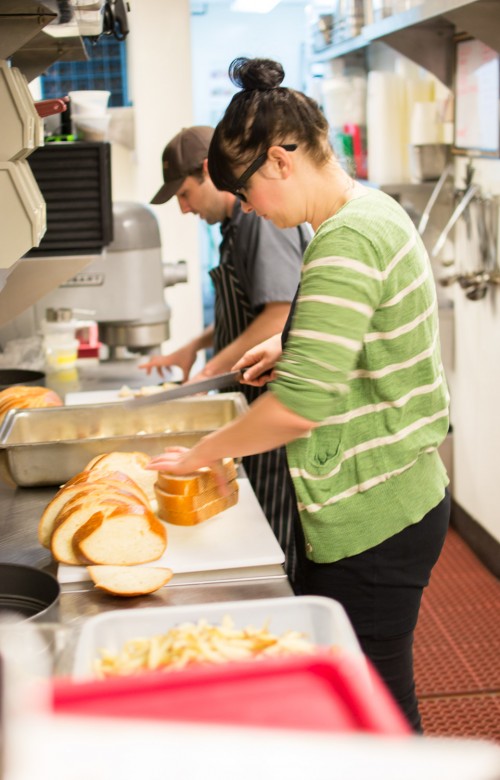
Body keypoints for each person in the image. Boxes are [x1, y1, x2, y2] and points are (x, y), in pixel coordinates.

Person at [147, 59, 451, 732]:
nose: (251, 210)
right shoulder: (370, 211)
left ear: (280, 161)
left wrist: (199, 456)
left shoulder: (343, 239)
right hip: (401, 493)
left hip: (374, 515)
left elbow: (297, 409)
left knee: (371, 705)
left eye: (248, 192)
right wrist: (294, 343)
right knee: (360, 689)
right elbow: (376, 328)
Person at [142, 125, 309, 581]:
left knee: (274, 537)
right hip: (249, 399)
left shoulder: (260, 223)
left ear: (209, 171)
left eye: (185, 192)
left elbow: (277, 316)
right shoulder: (234, 227)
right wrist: (194, 347)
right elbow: (252, 308)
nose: (183, 207)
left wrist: (214, 367)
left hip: (276, 405)